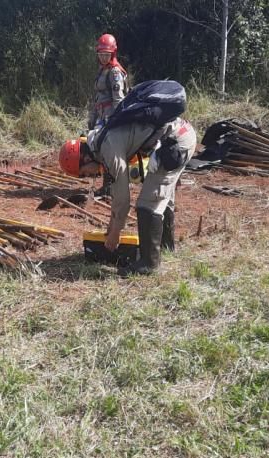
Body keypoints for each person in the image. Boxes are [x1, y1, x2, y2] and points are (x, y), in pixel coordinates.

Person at [60, 107, 197, 276]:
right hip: (179, 134)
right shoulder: (100, 139)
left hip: (176, 142)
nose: (89, 175)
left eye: (84, 172)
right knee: (161, 194)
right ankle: (165, 247)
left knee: (147, 203)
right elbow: (116, 193)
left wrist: (115, 234)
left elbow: (123, 199)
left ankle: (149, 265)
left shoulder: (108, 149)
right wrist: (111, 226)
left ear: (86, 158)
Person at [87, 34, 128, 130]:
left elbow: (118, 99)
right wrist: (92, 118)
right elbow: (98, 95)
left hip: (109, 116)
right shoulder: (103, 69)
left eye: (106, 54)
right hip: (100, 114)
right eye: (101, 54)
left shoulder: (114, 72)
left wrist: (114, 121)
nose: (103, 58)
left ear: (113, 54)